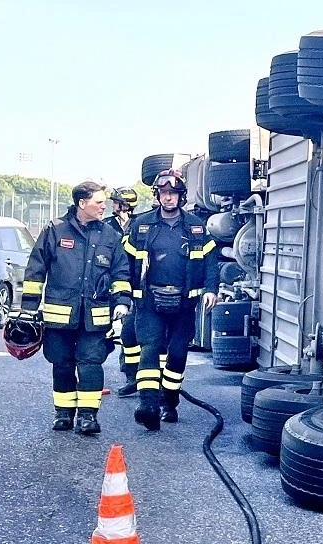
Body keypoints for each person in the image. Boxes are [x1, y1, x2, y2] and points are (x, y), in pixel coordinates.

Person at [20, 181, 132, 435]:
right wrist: (28, 308)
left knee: (90, 364)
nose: (104, 206)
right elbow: (36, 269)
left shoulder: (110, 236)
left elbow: (121, 273)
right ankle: (63, 414)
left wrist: (122, 302)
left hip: (95, 316)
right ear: (82, 203)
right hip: (59, 316)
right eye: (98, 202)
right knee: (61, 363)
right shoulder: (55, 230)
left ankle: (88, 417)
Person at [123, 169, 219, 430]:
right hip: (149, 301)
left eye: (173, 194)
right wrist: (123, 294)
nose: (168, 198)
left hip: (184, 303)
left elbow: (211, 261)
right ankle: (148, 405)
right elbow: (125, 263)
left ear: (181, 196)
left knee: (177, 354)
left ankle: (170, 402)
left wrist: (211, 289)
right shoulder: (141, 226)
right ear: (157, 196)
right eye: (164, 193)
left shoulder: (196, 227)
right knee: (150, 349)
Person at [101, 187, 146, 397]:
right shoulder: (106, 226)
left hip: (137, 284)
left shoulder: (140, 225)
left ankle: (133, 376)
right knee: (105, 331)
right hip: (113, 282)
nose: (112, 206)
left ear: (124, 205)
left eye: (116, 202)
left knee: (130, 330)